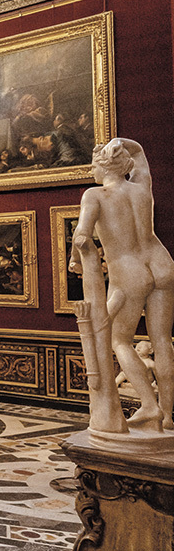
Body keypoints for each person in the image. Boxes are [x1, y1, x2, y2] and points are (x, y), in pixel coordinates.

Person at [69, 137, 174, 432]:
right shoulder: (141, 186)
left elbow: (81, 234)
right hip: (162, 263)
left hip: (129, 270)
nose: (92, 172)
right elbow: (138, 151)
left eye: (93, 166)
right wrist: (119, 141)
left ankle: (150, 406)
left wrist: (76, 259)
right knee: (162, 341)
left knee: (120, 340)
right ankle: (167, 417)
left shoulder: (94, 195)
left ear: (104, 168)